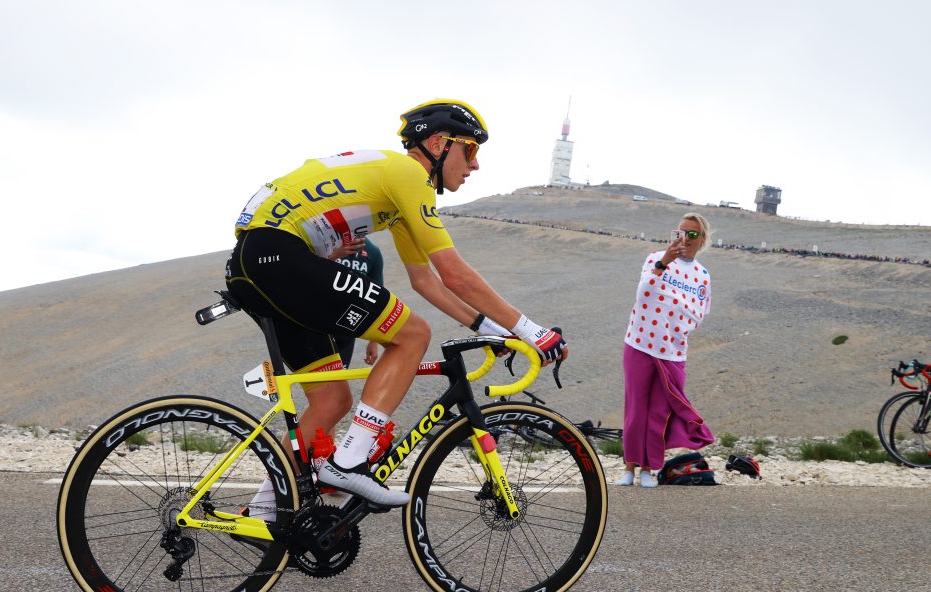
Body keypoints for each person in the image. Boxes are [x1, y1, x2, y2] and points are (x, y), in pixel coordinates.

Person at [226, 99, 568, 510]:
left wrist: (495, 331)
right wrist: (534, 331)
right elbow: (455, 274)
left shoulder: (398, 194)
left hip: (254, 262)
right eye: (470, 150)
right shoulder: (408, 173)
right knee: (413, 335)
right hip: (278, 254)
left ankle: (267, 511)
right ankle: (349, 462)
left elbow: (426, 281)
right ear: (440, 143)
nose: (474, 164)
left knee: (332, 400)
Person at [616, 213, 715, 488]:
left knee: (659, 412)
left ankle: (649, 468)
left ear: (702, 240)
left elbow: (699, 312)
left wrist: (678, 325)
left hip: (673, 351)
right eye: (681, 232)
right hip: (640, 343)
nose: (685, 238)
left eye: (692, 234)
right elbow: (643, 292)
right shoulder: (654, 259)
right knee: (635, 408)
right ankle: (629, 467)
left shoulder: (702, 276)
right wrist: (664, 263)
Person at [329, 236, 383, 368]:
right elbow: (304, 271)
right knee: (315, 380)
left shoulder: (373, 252)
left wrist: (374, 340)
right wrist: (335, 255)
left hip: (347, 326)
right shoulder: (326, 244)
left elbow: (377, 297)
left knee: (338, 378)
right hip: (318, 321)